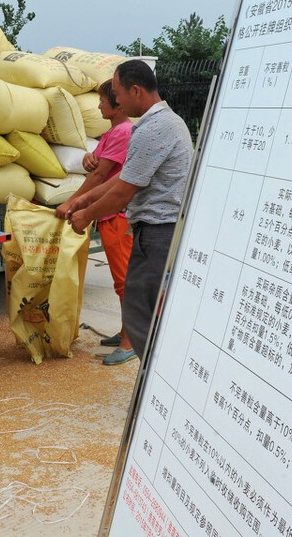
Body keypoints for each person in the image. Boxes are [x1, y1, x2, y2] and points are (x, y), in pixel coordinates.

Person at [62, 60, 192, 365]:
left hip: (158, 229)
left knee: (140, 305)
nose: (115, 100)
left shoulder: (153, 129)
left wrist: (85, 215)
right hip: (157, 227)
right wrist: (83, 201)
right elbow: (123, 178)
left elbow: (122, 192)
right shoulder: (163, 123)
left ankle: (153, 377)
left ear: (135, 90)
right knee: (139, 300)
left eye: (117, 93)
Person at [55, 80, 134, 362]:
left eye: (102, 101)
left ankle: (129, 342)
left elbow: (100, 177)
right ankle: (127, 330)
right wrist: (90, 156)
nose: (98, 105)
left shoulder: (124, 132)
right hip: (109, 215)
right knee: (120, 280)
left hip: (118, 216)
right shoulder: (112, 132)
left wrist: (72, 202)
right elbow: (97, 166)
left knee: (125, 282)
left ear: (117, 103)